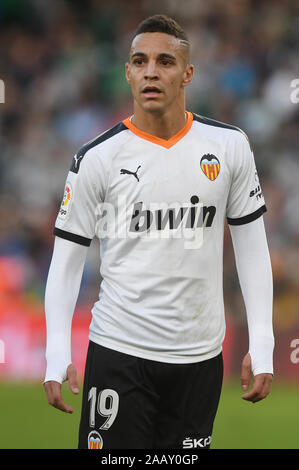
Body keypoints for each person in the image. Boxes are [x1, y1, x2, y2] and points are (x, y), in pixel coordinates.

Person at [43, 14, 274, 450]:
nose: (151, 70)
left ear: (188, 73)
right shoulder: (97, 158)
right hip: (119, 350)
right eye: (140, 61)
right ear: (128, 72)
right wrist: (56, 353)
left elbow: (252, 248)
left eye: (165, 61)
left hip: (200, 358)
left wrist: (262, 342)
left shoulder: (228, 147)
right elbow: (67, 261)